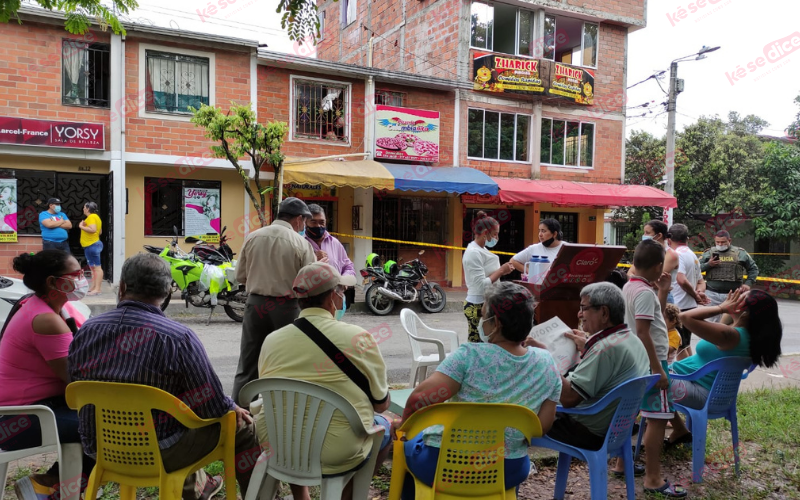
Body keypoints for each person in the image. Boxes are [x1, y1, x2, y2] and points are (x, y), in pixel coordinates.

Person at [68, 253, 260, 500]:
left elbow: (74, 382)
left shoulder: (87, 330)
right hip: (161, 451)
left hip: (101, 448)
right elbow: (211, 406)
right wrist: (232, 406)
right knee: (242, 424)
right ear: (168, 291)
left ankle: (198, 487)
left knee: (179, 415)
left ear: (123, 287)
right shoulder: (178, 338)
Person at [399, 282, 561, 499]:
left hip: (445, 466)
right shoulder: (547, 363)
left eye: (484, 315)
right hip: (508, 470)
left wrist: (403, 426)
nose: (480, 321)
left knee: (409, 445)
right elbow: (541, 427)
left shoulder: (469, 356)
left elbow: (419, 399)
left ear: (497, 324)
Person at [256, 262, 391, 500]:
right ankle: (345, 496)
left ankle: (301, 496)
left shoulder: (272, 341)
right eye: (341, 291)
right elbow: (380, 404)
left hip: (279, 446)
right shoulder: (358, 338)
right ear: (333, 296)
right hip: (337, 450)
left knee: (294, 419)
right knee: (385, 425)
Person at [0, 250, 91, 500]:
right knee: (105, 424)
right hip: (16, 419)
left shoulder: (48, 306)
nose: (82, 278)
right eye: (75, 274)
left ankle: (48, 484)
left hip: (38, 407)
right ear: (52, 282)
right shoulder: (45, 320)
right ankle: (49, 486)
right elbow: (76, 382)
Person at [541, 283, 649, 455]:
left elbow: (569, 398)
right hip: (616, 431)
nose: (579, 314)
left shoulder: (605, 349)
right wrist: (589, 345)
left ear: (604, 313)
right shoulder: (631, 339)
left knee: (521, 412)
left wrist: (544, 359)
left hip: (588, 431)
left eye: (584, 308)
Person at [665, 289, 782, 448]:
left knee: (650, 378)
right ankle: (678, 429)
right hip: (711, 393)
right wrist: (731, 309)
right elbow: (722, 324)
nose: (732, 299)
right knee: (655, 376)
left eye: (737, 299)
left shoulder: (732, 335)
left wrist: (721, 307)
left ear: (746, 313)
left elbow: (685, 317)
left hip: (700, 392)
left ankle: (672, 429)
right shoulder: (746, 336)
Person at [232, 197, 316, 402]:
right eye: (304, 221)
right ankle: (281, 413)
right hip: (287, 307)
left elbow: (240, 276)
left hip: (255, 305)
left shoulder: (253, 237)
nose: (303, 225)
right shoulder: (300, 243)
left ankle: (240, 415)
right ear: (297, 219)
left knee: (249, 362)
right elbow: (309, 282)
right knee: (287, 363)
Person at [619, 239, 686, 497]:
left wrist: (664, 292)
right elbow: (644, 331)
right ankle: (653, 477)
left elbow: (653, 317)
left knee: (631, 413)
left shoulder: (631, 286)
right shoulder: (644, 292)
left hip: (638, 362)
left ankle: (622, 463)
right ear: (659, 266)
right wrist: (658, 369)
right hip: (651, 363)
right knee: (657, 419)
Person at [462, 211, 514, 342]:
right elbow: (480, 286)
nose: (497, 237)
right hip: (477, 305)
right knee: (478, 345)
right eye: (495, 234)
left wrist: (502, 271)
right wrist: (501, 270)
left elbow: (488, 275)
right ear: (485, 233)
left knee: (487, 343)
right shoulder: (473, 253)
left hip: (486, 302)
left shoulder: (481, 249)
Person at [698, 230, 759, 322]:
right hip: (712, 294)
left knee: (732, 323)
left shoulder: (741, 253)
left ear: (729, 240)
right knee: (710, 323)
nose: (720, 244)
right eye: (717, 242)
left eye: (723, 242)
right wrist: (708, 265)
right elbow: (696, 269)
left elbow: (754, 269)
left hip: (733, 294)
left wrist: (748, 284)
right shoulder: (709, 253)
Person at [304, 203, 357, 308]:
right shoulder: (300, 243)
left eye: (321, 222)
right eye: (313, 222)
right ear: (306, 222)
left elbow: (348, 266)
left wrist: (344, 280)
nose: (318, 226)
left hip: (334, 301)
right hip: (308, 301)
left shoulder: (335, 243)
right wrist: (313, 259)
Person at [669, 223, 710, 356]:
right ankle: (691, 373)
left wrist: (695, 294)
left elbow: (681, 279)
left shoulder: (676, 255)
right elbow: (701, 282)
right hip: (689, 306)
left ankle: (685, 375)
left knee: (679, 346)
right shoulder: (692, 255)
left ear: (669, 239)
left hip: (678, 306)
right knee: (685, 344)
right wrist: (699, 292)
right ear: (687, 238)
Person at [628, 220, 679, 304]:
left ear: (659, 235)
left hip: (662, 297)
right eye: (644, 233)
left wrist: (636, 278)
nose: (644, 236)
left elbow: (654, 279)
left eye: (647, 233)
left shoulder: (671, 255)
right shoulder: (645, 252)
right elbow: (630, 273)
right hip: (644, 295)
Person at [78, 202, 103, 296]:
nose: (83, 209)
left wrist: (81, 226)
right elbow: (99, 231)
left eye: (84, 207)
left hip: (92, 244)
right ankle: (93, 287)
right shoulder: (96, 217)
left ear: (88, 209)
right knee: (93, 268)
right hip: (91, 244)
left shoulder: (92, 217)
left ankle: (97, 289)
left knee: (97, 267)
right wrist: (86, 226)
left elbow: (93, 230)